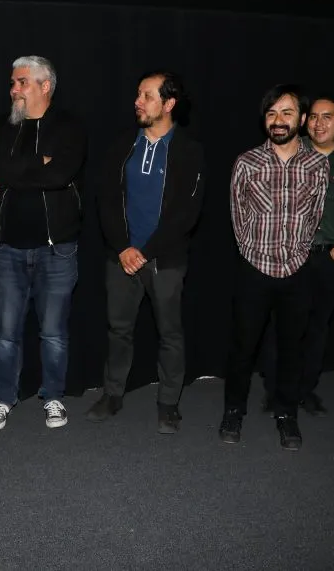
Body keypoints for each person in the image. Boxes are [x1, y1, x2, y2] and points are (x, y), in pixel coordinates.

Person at [86, 71, 205, 434]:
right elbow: (106, 199)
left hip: (165, 261)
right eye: (138, 94)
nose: (138, 102)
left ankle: (168, 403)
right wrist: (123, 248)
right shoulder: (123, 144)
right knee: (118, 330)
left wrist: (146, 251)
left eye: (147, 96)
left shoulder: (189, 151)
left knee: (170, 333)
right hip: (121, 257)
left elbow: (186, 213)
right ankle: (113, 394)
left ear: (169, 104)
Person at [0, 56, 86, 430]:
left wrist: (9, 172)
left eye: (21, 82)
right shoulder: (1, 126)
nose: (14, 89)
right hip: (5, 248)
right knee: (6, 334)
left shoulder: (69, 127)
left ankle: (53, 397)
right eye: (13, 83)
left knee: (53, 333)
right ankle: (4, 398)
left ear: (45, 85)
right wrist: (38, 163)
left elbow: (60, 176)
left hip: (57, 249)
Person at [220, 84, 329, 450]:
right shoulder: (247, 162)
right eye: (271, 113)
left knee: (291, 349)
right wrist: (252, 253)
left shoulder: (318, 165)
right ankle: (233, 411)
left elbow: (315, 216)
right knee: (242, 347)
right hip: (254, 268)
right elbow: (237, 217)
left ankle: (287, 415)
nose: (278, 120)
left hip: (297, 271)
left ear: (301, 118)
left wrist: (297, 252)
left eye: (286, 113)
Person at [259, 96, 334, 416]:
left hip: (328, 256)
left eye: (327, 117)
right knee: (279, 324)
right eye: (313, 117)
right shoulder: (290, 149)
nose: (318, 123)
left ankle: (304, 389)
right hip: (288, 253)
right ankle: (275, 390)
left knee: (317, 326)